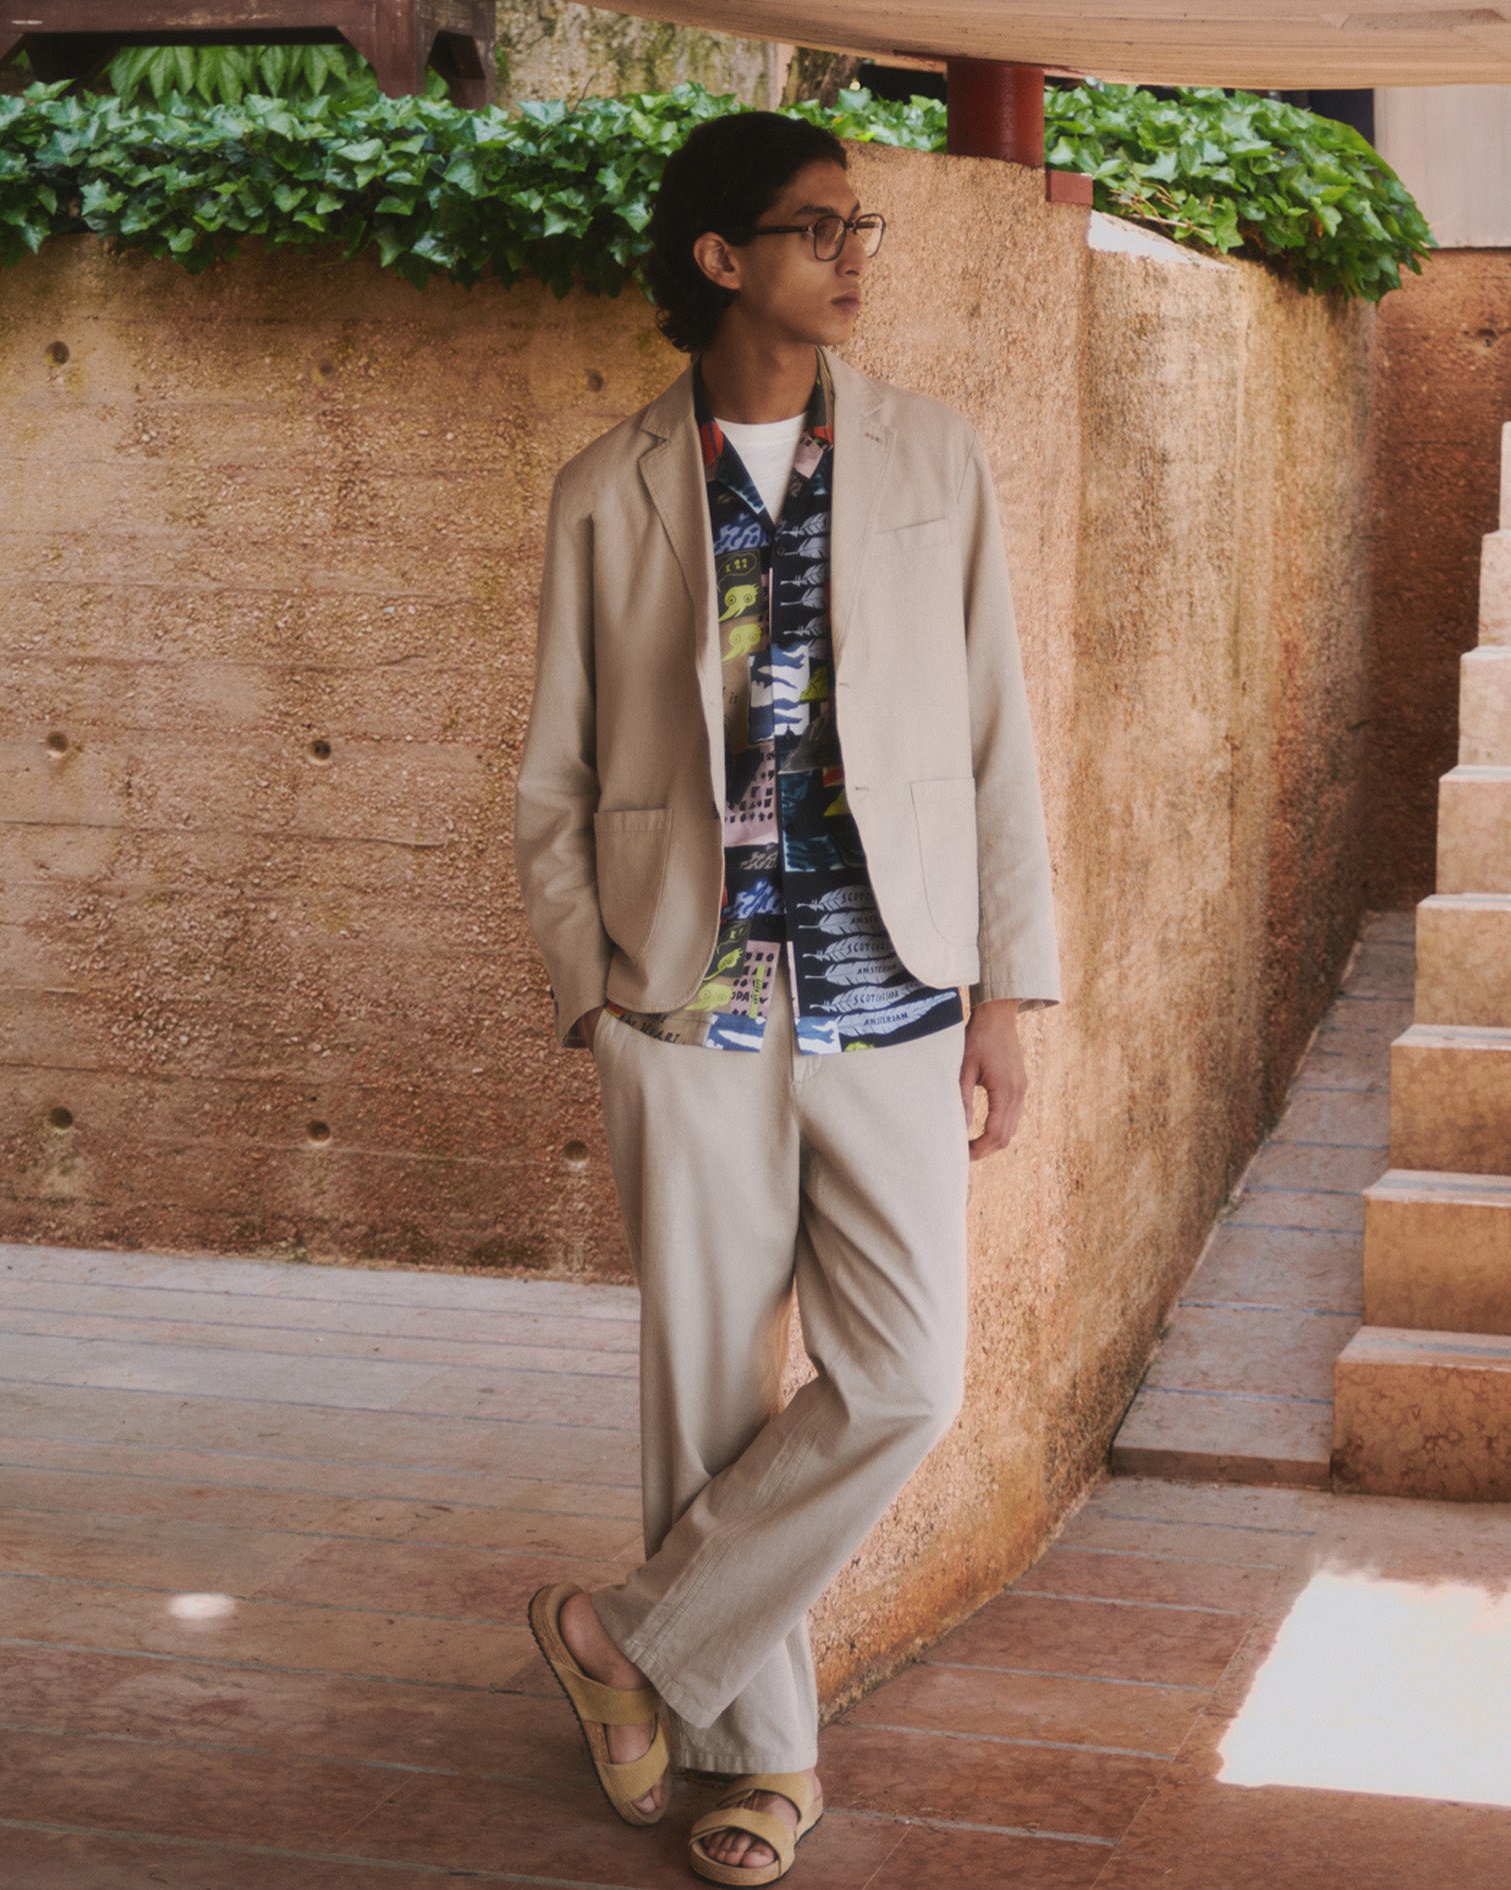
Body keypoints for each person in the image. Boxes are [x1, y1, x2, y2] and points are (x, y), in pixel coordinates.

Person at [514, 108, 1060, 1885]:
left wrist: (1008, 991)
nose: (853, 253)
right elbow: (554, 774)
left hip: (889, 986)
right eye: (819, 226)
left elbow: (994, 739)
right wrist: (592, 990)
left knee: (907, 1377)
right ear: (720, 257)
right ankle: (766, 1765)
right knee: (707, 1401)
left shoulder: (930, 456)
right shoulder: (606, 490)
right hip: (685, 1001)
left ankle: (624, 1637)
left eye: (859, 224)